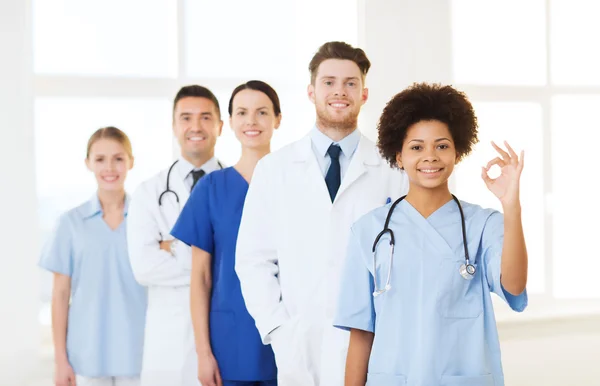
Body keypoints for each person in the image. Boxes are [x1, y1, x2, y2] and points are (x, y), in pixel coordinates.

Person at [234, 41, 408, 386]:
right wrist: (279, 330)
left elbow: (406, 259)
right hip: (299, 344)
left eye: (350, 83)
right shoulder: (275, 169)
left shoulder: (393, 169)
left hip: (374, 343)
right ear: (311, 91)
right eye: (328, 82)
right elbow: (252, 260)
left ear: (364, 93)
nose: (339, 91)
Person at [334, 82, 528, 386]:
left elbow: (514, 287)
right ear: (398, 156)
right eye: (416, 147)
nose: (430, 156)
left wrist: (510, 204)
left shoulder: (482, 224)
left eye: (442, 145)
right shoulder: (369, 231)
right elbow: (361, 332)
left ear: (457, 152)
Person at [171, 80, 281, 386]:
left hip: (286, 334)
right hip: (229, 341)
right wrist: (203, 353)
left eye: (262, 112)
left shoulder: (294, 184)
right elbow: (201, 277)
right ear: (230, 122)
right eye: (242, 112)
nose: (251, 121)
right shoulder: (211, 188)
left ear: (278, 119)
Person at [127, 85, 224, 386]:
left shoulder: (239, 187)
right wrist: (210, 259)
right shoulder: (148, 192)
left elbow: (247, 262)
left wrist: (173, 247)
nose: (195, 126)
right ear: (174, 127)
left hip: (222, 329)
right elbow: (144, 267)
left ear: (220, 126)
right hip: (168, 339)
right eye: (186, 117)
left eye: (205, 117)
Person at [39, 127, 147, 386]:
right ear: (88, 163)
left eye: (118, 158)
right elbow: (60, 295)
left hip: (138, 353)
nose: (110, 167)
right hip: (86, 355)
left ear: (131, 162)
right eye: (100, 159)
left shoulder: (146, 220)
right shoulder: (70, 223)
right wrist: (60, 359)